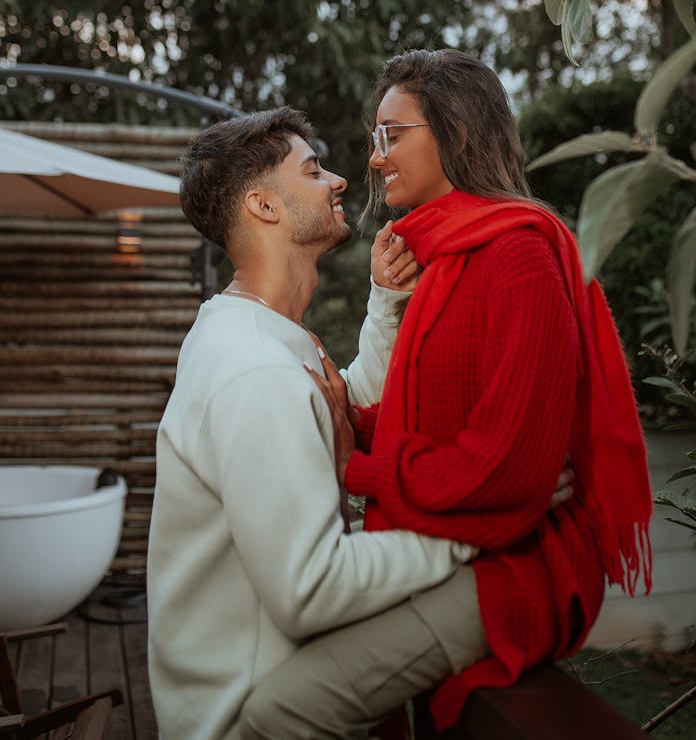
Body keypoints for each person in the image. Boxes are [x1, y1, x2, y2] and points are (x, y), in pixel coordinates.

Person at [148, 107, 572, 740]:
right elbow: (310, 588)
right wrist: (475, 531)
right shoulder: (254, 369)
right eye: (313, 170)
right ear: (264, 207)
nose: (340, 180)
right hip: (246, 714)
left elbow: (334, 412)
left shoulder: (250, 332)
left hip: (261, 677)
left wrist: (384, 301)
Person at [268, 49, 653, 735]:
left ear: (460, 134)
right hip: (465, 547)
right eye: (373, 138)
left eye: (393, 134)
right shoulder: (443, 256)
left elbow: (505, 470)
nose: (375, 158)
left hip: (518, 572)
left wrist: (352, 463)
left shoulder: (518, 256)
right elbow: (443, 423)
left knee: (282, 706)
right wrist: (348, 419)